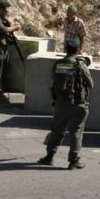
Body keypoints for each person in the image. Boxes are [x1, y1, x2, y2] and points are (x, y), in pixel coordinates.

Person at [38, 37, 93, 170]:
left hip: (61, 102)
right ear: (78, 49)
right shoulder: (81, 64)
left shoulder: (58, 64)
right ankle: (74, 161)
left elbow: (54, 82)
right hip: (78, 102)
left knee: (57, 129)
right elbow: (91, 84)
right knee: (76, 131)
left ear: (65, 49)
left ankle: (49, 156)